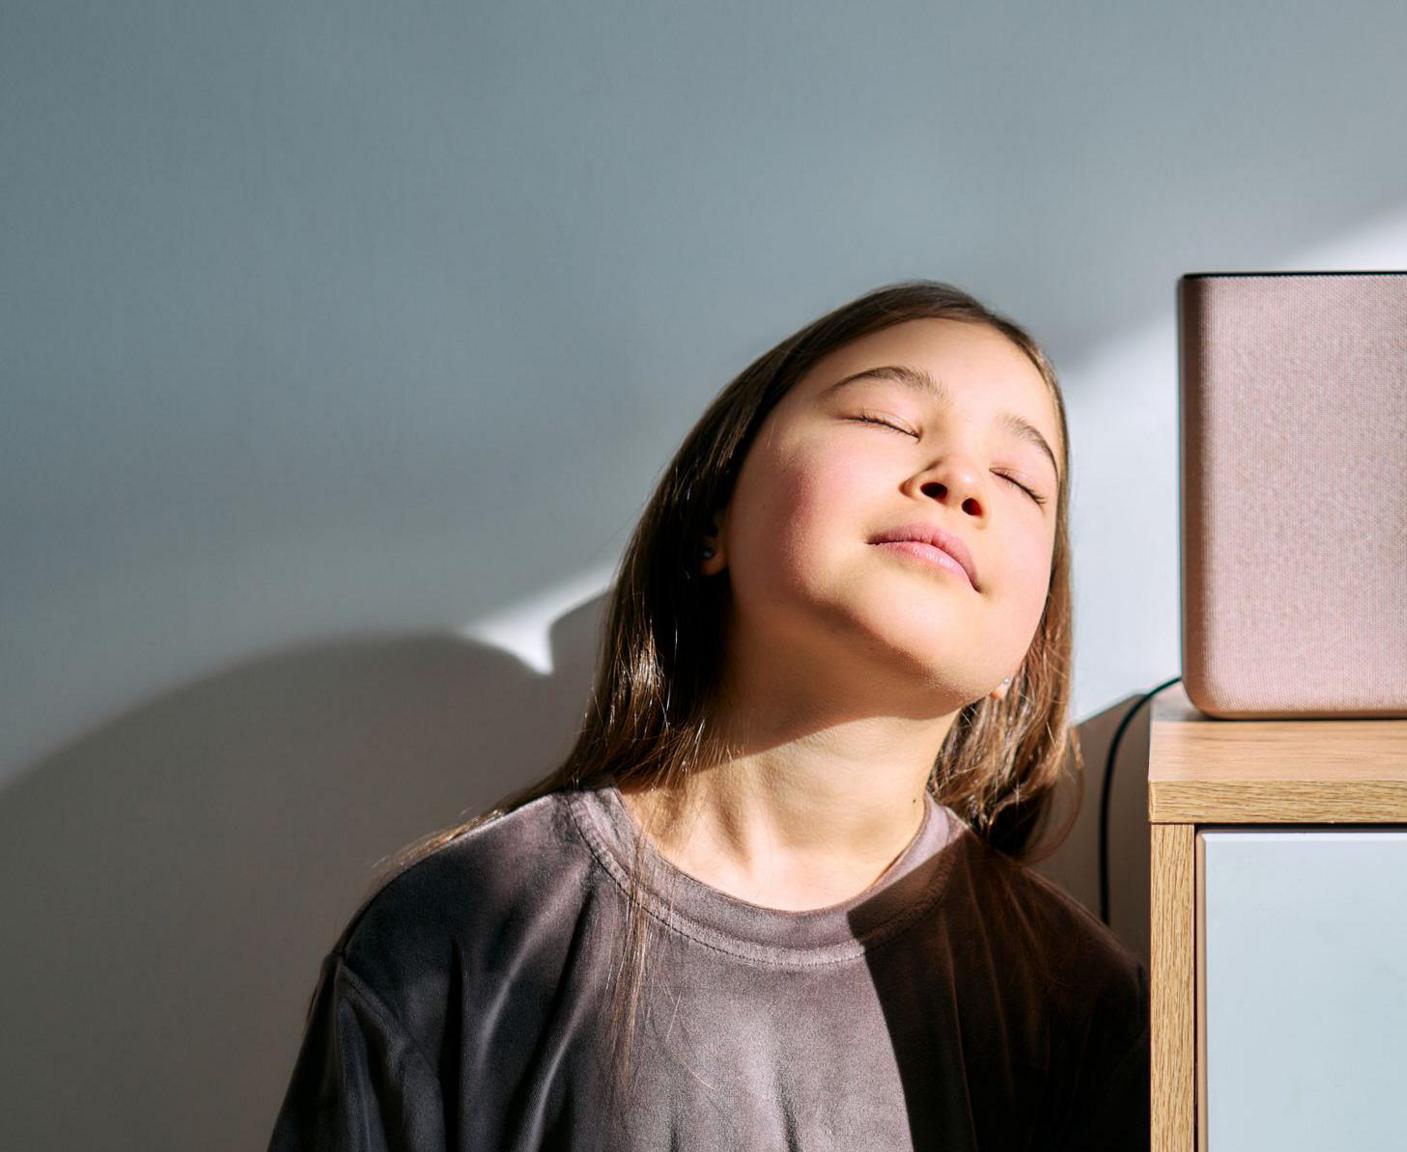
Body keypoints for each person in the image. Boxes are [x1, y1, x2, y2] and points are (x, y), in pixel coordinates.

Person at [265, 280, 1148, 1150]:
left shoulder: (1084, 1007)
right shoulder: (455, 937)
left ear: (1026, 651)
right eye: (885, 421)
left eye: (1021, 480)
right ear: (712, 518)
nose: (959, 481)